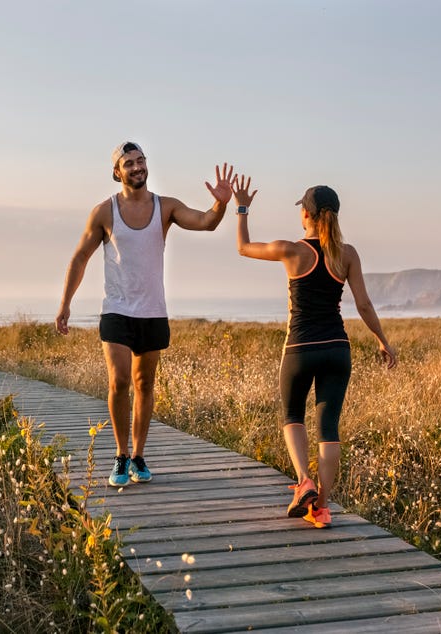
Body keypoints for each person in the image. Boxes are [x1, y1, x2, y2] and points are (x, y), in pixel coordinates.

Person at [56, 141, 236, 487]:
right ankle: (121, 455)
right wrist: (65, 304)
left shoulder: (165, 207)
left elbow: (207, 222)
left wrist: (221, 203)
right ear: (117, 172)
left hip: (153, 311)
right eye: (129, 163)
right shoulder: (103, 212)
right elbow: (80, 258)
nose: (137, 167)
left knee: (144, 383)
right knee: (119, 380)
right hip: (117, 310)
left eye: (141, 161)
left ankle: (138, 455)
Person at [231, 176, 397, 527]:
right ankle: (321, 507)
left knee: (292, 416)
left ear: (306, 214)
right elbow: (364, 305)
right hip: (337, 348)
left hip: (300, 348)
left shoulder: (292, 250)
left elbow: (243, 247)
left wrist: (242, 208)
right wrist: (382, 340)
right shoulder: (347, 254)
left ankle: (303, 482)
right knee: (329, 429)